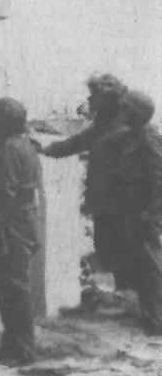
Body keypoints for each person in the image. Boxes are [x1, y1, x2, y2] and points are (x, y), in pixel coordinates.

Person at [41, 74, 130, 281]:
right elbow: (75, 143)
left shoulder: (123, 128)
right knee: (110, 252)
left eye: (94, 95)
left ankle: (135, 302)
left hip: (122, 203)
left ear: (107, 98)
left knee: (123, 253)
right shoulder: (103, 125)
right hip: (105, 202)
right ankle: (127, 299)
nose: (89, 100)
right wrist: (46, 149)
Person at [0, 98, 43, 364]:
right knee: (13, 286)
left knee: (13, 287)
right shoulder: (25, 144)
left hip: (13, 224)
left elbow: (5, 196)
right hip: (25, 221)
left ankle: (21, 350)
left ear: (3, 122)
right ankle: (15, 344)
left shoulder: (8, 149)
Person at [111, 90, 162, 335]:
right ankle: (150, 317)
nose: (121, 111)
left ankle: (156, 321)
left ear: (136, 113)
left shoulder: (147, 138)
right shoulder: (133, 136)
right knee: (142, 265)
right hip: (133, 211)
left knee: (151, 265)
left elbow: (159, 178)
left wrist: (152, 212)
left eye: (125, 108)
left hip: (144, 213)